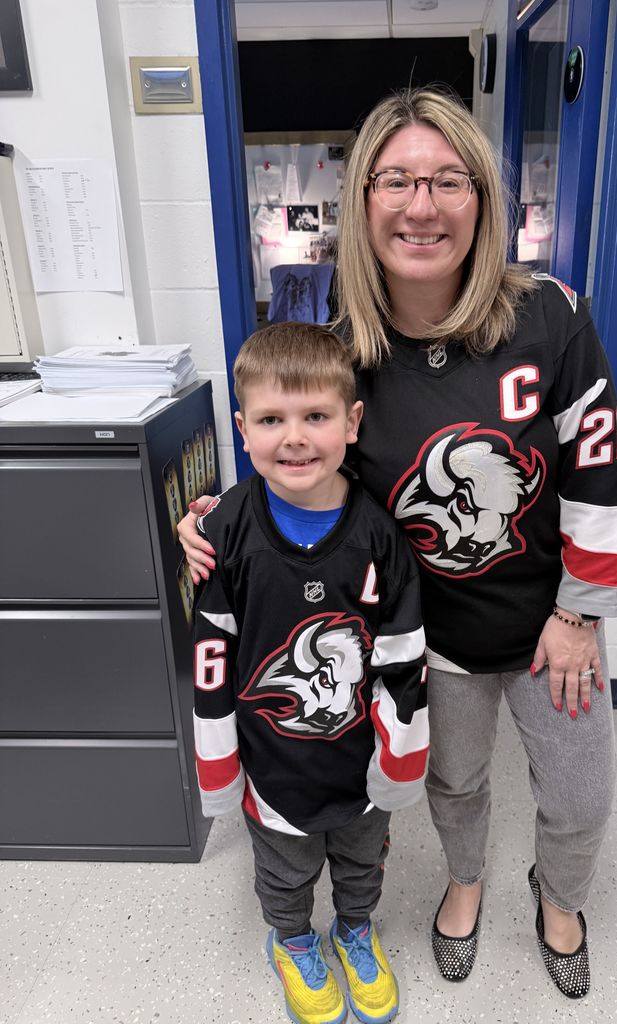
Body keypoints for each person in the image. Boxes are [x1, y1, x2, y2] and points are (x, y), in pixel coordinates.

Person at [182, 88, 617, 1001]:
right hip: (430, 634)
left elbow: (598, 463)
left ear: (482, 199)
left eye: (448, 180)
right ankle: (464, 884)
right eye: (397, 181)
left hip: (553, 619)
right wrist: (218, 522)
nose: (422, 206)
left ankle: (562, 897)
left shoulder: (553, 315)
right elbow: (303, 460)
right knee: (455, 785)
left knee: (579, 792)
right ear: (364, 202)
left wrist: (579, 612)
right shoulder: (344, 347)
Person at [192, 322, 429, 1024]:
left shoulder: (378, 535)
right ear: (243, 428)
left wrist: (401, 758)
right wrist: (218, 764)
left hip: (358, 762)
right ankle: (293, 941)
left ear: (352, 422)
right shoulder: (228, 530)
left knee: (361, 863)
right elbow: (210, 656)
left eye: (316, 417)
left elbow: (403, 653)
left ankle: (355, 930)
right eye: (271, 419)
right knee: (285, 872)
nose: (294, 437)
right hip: (274, 765)